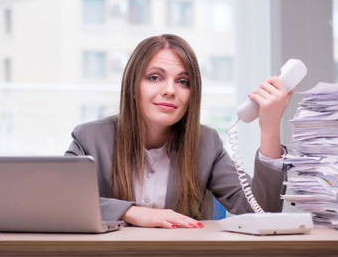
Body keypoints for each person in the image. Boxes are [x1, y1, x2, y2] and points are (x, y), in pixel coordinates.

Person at [65, 34, 293, 229]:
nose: (170, 91)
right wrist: (130, 212)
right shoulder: (90, 139)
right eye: (154, 78)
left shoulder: (206, 144)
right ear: (133, 86)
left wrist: (270, 126)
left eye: (184, 82)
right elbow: (58, 201)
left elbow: (263, 214)